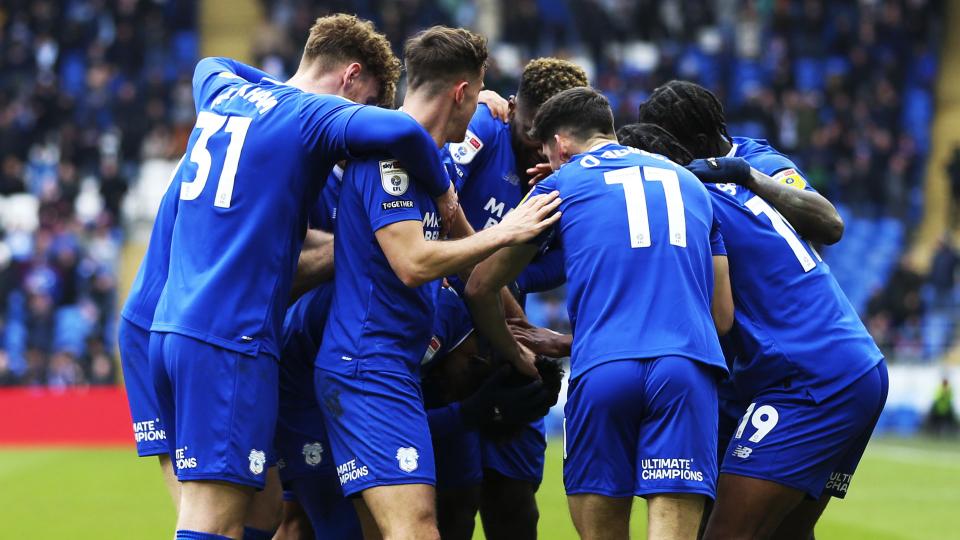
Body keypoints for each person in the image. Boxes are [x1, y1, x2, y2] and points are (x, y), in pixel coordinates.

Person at [144, 14, 464, 539]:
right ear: (350, 77)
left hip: (175, 327)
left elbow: (210, 62)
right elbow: (404, 130)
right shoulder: (311, 116)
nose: (360, 116)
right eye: (366, 102)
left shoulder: (223, 90)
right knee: (211, 520)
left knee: (262, 513)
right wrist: (443, 190)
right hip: (230, 337)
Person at [313, 26, 561, 540]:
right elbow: (413, 263)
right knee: (419, 529)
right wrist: (509, 232)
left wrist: (523, 347)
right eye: (477, 97)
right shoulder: (391, 158)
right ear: (462, 92)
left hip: (392, 369)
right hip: (368, 367)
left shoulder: (433, 164)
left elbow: (475, 272)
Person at [464, 87, 733, 540]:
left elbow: (479, 285)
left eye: (545, 150)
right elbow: (721, 316)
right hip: (687, 367)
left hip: (605, 366)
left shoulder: (559, 184)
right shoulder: (691, 183)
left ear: (560, 144)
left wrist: (516, 351)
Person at [638, 81, 888, 539]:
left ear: (689, 145)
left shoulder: (755, 164)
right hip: (798, 368)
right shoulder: (695, 187)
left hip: (805, 374)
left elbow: (830, 223)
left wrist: (745, 175)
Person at [439, 57, 589, 539]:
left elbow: (572, 255)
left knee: (515, 506)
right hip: (446, 339)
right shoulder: (483, 126)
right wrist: (493, 270)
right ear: (513, 105)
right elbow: (439, 207)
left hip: (505, 339)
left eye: (551, 136)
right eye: (530, 130)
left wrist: (516, 278)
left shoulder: (574, 172)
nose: (539, 146)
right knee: (452, 504)